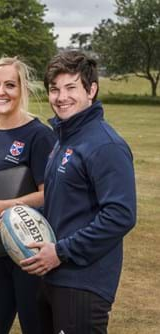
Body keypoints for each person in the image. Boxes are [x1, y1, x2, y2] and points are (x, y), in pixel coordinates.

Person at [20, 51, 136, 333]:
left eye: (71, 87)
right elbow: (62, 203)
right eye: (54, 89)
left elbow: (120, 216)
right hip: (54, 278)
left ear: (91, 90)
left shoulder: (105, 145)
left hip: (84, 283)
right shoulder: (64, 140)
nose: (61, 97)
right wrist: (20, 215)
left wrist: (60, 252)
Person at [0, 57, 55, 334]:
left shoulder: (39, 136)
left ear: (22, 90)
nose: (0, 91)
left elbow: (49, 196)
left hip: (32, 256)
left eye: (9, 85)